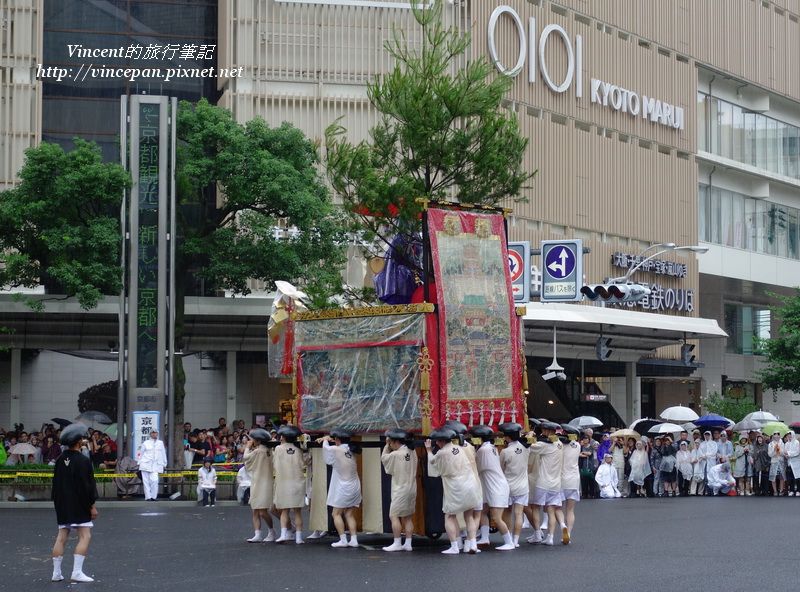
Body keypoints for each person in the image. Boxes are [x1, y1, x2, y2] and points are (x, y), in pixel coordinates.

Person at [50, 423, 98, 583]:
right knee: (85, 536)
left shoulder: (59, 459)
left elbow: (55, 484)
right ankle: (77, 572)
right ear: (78, 441)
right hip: (80, 503)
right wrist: (92, 506)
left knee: (61, 536)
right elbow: (87, 486)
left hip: (62, 503)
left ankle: (56, 573)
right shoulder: (83, 460)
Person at [425, 426, 482, 555]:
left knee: (450, 516)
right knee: (469, 516)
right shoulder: (460, 448)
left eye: (438, 441)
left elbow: (433, 463)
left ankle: (455, 546)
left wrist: (429, 451)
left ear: (442, 441)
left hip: (455, 485)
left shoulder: (442, 452)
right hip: (470, 482)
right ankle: (472, 544)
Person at [318, 428, 362, 549]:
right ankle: (353, 539)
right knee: (349, 514)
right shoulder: (351, 449)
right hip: (355, 486)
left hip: (344, 487)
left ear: (337, 439)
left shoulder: (336, 449)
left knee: (336, 514)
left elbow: (327, 457)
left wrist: (326, 440)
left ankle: (343, 539)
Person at [470, 425, 512, 551]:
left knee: (496, 517)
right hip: (490, 485)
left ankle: (509, 542)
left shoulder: (484, 450)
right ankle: (484, 537)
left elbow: (478, 467)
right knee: (482, 511)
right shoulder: (490, 447)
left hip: (496, 487)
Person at [527, 421, 567, 545]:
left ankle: (537, 534)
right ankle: (550, 537)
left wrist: (530, 435)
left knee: (535, 507)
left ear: (547, 431)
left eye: (544, 430)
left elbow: (530, 445)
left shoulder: (545, 445)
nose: (542, 432)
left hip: (543, 482)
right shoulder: (559, 444)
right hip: (556, 483)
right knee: (551, 510)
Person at [380, 428, 418, 552]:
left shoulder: (396, 454)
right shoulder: (412, 451)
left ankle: (397, 542)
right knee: (407, 516)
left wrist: (386, 445)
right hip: (411, 487)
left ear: (394, 442)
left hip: (400, 488)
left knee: (394, 515)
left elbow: (384, 459)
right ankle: (408, 543)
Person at [273, 425, 308, 544]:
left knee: (284, 511)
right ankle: (299, 537)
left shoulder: (278, 448)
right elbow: (306, 461)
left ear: (283, 437)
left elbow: (274, 463)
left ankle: (284, 534)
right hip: (298, 482)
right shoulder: (299, 450)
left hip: (284, 482)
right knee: (297, 511)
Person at [244, 428, 278, 542]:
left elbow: (246, 458)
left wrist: (247, 447)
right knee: (256, 509)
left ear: (258, 440)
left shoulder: (259, 451)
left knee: (261, 511)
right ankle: (258, 534)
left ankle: (271, 530)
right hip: (264, 481)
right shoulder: (269, 450)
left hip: (259, 481)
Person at [499, 422, 529, 548]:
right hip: (523, 485)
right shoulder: (525, 448)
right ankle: (516, 540)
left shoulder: (505, 452)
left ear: (507, 437)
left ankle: (510, 538)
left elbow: (501, 467)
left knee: (507, 513)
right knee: (519, 514)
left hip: (509, 485)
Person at [559, 425, 581, 544]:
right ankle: (569, 533)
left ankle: (563, 526)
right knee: (570, 510)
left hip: (562, 479)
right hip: (574, 479)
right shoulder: (577, 445)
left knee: (558, 508)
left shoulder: (560, 445)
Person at [137, 429, 167, 501]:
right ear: (150, 434)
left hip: (156, 464)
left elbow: (163, 453)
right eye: (152, 433)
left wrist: (164, 463)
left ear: (157, 434)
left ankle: (154, 497)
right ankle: (148, 497)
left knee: (155, 480)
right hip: (145, 463)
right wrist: (139, 463)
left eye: (155, 433)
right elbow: (140, 454)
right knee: (146, 481)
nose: (154, 434)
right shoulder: (146, 443)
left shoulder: (160, 443)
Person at [768, 430, 787, 496]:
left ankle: (781, 490)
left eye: (778, 435)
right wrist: (774, 449)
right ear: (773, 436)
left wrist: (779, 449)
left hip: (780, 461)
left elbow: (783, 454)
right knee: (773, 478)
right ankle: (775, 491)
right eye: (775, 435)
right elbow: (770, 455)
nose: (776, 436)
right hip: (774, 462)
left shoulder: (782, 443)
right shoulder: (770, 444)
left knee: (781, 477)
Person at [784, 431, 800, 495]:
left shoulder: (797, 442)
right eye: (788, 435)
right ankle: (791, 490)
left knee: (797, 477)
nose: (789, 436)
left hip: (796, 462)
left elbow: (797, 452)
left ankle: (798, 490)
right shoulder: (786, 444)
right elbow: (785, 452)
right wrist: (786, 454)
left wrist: (788, 453)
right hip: (789, 462)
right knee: (790, 477)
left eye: (790, 435)